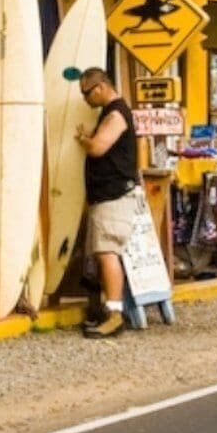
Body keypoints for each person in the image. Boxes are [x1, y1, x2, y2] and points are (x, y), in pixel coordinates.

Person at [72, 67, 151, 339]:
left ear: (101, 87)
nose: (85, 99)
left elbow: (98, 147)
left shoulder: (116, 114)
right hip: (106, 194)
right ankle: (108, 310)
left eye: (87, 93)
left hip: (113, 195)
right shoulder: (110, 112)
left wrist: (84, 140)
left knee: (107, 252)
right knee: (104, 252)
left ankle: (115, 314)